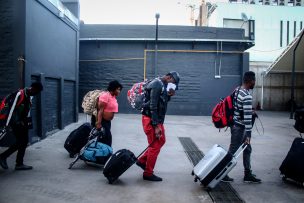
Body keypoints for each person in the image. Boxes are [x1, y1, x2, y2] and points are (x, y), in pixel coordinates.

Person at [136, 71, 180, 182]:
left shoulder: (162, 85)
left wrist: (168, 96)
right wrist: (155, 125)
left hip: (156, 120)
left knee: (161, 141)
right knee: (155, 146)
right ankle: (148, 173)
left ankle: (142, 161)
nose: (173, 85)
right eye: (173, 82)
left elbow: (161, 102)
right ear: (169, 77)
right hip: (151, 120)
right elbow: (153, 105)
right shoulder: (157, 84)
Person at [222, 71, 262, 183]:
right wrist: (248, 134)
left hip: (235, 124)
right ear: (251, 81)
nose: (255, 83)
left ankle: (247, 174)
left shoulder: (238, 89)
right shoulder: (247, 96)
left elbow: (238, 108)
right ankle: (222, 173)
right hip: (240, 128)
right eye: (254, 81)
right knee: (232, 151)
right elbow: (247, 118)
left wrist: (250, 111)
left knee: (247, 149)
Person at [0, 82, 43, 170]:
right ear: (33, 89)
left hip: (22, 123)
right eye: (37, 91)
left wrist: (27, 122)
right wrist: (7, 125)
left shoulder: (30, 96)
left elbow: (26, 110)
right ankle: (3, 157)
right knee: (20, 142)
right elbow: (11, 109)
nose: (37, 94)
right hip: (14, 122)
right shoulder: (20, 94)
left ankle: (19, 164)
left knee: (24, 141)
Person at [91, 80, 123, 147]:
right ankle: (102, 154)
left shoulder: (113, 96)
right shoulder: (105, 96)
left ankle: (101, 154)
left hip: (107, 122)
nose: (119, 91)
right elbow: (100, 110)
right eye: (118, 89)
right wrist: (98, 123)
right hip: (102, 121)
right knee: (107, 139)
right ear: (113, 88)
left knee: (103, 139)